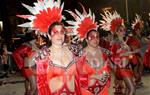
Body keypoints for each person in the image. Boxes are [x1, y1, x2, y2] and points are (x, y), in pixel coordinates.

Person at [17, 0, 81, 95]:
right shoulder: (42, 55)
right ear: (49, 35)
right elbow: (38, 81)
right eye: (55, 32)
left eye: (62, 32)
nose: (59, 35)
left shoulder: (74, 51)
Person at [66, 5, 111, 95]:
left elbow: (108, 71)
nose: (96, 39)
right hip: (86, 92)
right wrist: (96, 76)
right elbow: (77, 77)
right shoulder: (80, 55)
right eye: (92, 37)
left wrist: (106, 78)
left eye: (97, 37)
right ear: (86, 40)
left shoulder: (105, 52)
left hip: (103, 91)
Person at [100, 11, 135, 95]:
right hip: (122, 69)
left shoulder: (124, 42)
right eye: (120, 30)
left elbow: (130, 55)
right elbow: (112, 56)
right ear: (117, 32)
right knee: (132, 90)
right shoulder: (116, 42)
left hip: (128, 68)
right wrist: (121, 55)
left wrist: (129, 54)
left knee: (127, 90)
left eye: (124, 30)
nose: (123, 32)